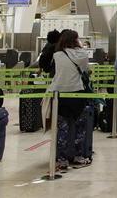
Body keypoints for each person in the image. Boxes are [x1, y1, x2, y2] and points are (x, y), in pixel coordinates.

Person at [48, 29, 92, 171]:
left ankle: (61, 159)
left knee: (62, 128)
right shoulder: (82, 54)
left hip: (60, 94)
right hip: (77, 94)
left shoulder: (57, 55)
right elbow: (85, 70)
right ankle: (78, 156)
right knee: (80, 127)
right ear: (75, 40)